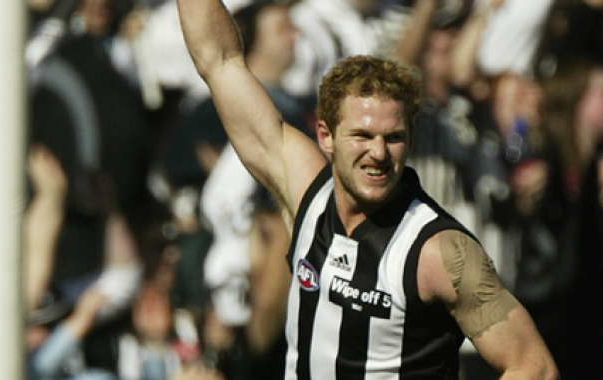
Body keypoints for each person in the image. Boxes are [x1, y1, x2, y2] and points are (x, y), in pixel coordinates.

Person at [176, 0, 557, 378]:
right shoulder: (306, 193)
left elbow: (533, 366)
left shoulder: (441, 252)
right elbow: (220, 61)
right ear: (326, 136)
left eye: (393, 137)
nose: (378, 153)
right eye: (362, 135)